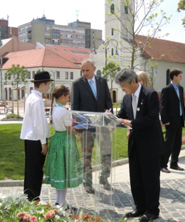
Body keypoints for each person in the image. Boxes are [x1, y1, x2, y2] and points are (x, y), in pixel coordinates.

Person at [116, 68, 164, 221]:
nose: (123, 89)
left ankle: (152, 210)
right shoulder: (127, 98)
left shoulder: (150, 94)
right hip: (135, 144)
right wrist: (111, 118)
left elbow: (152, 118)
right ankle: (140, 207)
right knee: (136, 178)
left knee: (150, 179)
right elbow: (122, 115)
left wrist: (132, 123)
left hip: (150, 144)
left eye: (124, 85)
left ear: (133, 81)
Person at [71, 59, 113, 194]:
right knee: (86, 156)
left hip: (103, 125)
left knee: (106, 154)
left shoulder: (102, 81)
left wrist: (109, 117)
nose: (84, 73)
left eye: (87, 70)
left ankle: (104, 179)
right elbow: (75, 108)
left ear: (94, 69)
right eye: (82, 70)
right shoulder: (77, 84)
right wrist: (80, 126)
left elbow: (108, 102)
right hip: (86, 127)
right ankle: (87, 183)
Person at [45, 85, 82, 206]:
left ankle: (59, 200)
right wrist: (81, 130)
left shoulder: (53, 109)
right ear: (61, 96)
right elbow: (70, 130)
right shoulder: (64, 111)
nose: (68, 99)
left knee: (59, 171)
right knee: (65, 171)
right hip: (65, 141)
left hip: (56, 140)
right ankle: (62, 202)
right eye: (67, 97)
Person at [20, 71, 53, 201]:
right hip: (36, 139)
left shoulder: (31, 97)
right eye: (48, 84)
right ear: (43, 84)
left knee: (30, 169)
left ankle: (28, 194)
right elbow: (38, 123)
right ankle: (33, 196)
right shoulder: (38, 100)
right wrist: (43, 142)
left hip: (30, 138)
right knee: (36, 170)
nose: (49, 87)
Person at [160, 68, 185, 173]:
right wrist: (165, 119)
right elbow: (163, 106)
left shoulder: (180, 88)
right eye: (180, 76)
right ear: (174, 77)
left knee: (177, 143)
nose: (181, 78)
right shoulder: (166, 89)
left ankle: (174, 163)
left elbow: (181, 103)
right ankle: (163, 164)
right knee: (168, 144)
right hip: (170, 121)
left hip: (179, 119)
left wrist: (184, 115)